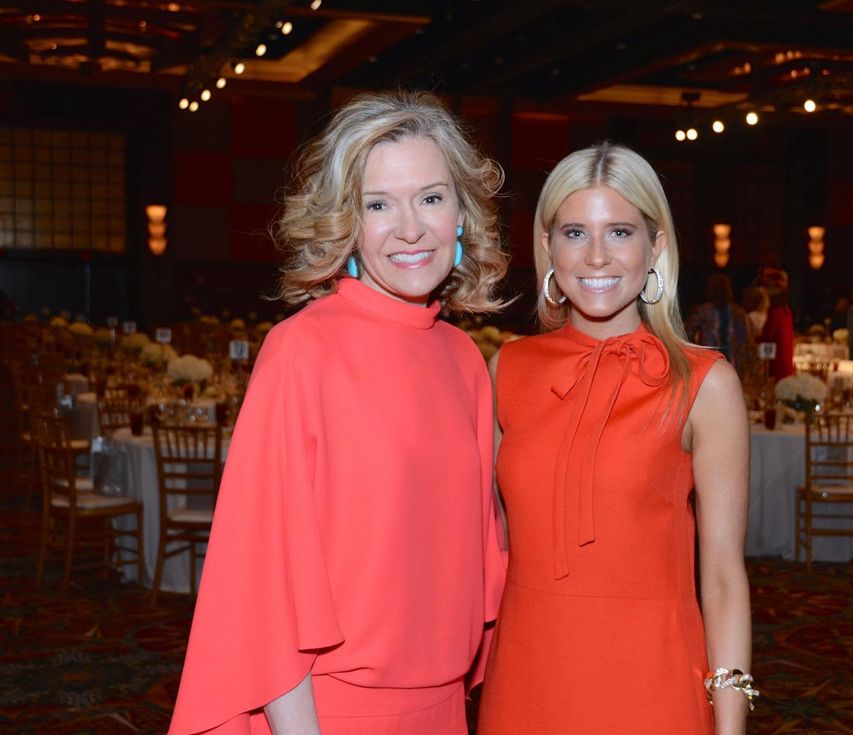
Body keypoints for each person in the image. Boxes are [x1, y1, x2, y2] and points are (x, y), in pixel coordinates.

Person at [168, 91, 509, 735]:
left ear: (462, 212)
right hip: (332, 712)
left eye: (431, 198)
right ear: (345, 224)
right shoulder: (301, 351)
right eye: (378, 205)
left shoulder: (465, 359)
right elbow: (264, 581)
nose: (410, 228)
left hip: (444, 709)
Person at [478, 143, 753, 734]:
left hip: (653, 685)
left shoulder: (705, 382)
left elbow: (725, 574)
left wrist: (730, 725)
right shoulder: (510, 369)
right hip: (527, 682)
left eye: (620, 231)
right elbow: (492, 543)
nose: (596, 256)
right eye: (574, 232)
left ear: (655, 247)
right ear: (548, 244)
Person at [685, 273, 757, 381]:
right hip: (734, 364)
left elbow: (687, 332)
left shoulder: (704, 311)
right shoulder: (738, 312)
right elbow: (747, 341)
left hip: (711, 363)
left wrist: (696, 352)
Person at [759, 269, 795, 381]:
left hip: (776, 366)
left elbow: (768, 340)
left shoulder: (774, 312)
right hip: (785, 364)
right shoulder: (786, 311)